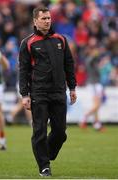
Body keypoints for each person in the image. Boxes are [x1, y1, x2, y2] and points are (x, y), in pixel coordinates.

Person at [19, 7, 77, 177]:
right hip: (39, 93)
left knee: (60, 132)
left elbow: (69, 65)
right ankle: (44, 166)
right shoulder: (28, 43)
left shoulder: (61, 40)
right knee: (40, 131)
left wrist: (72, 87)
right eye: (43, 18)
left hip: (59, 92)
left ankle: (47, 154)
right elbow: (23, 70)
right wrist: (24, 94)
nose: (47, 21)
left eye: (49, 18)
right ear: (35, 21)